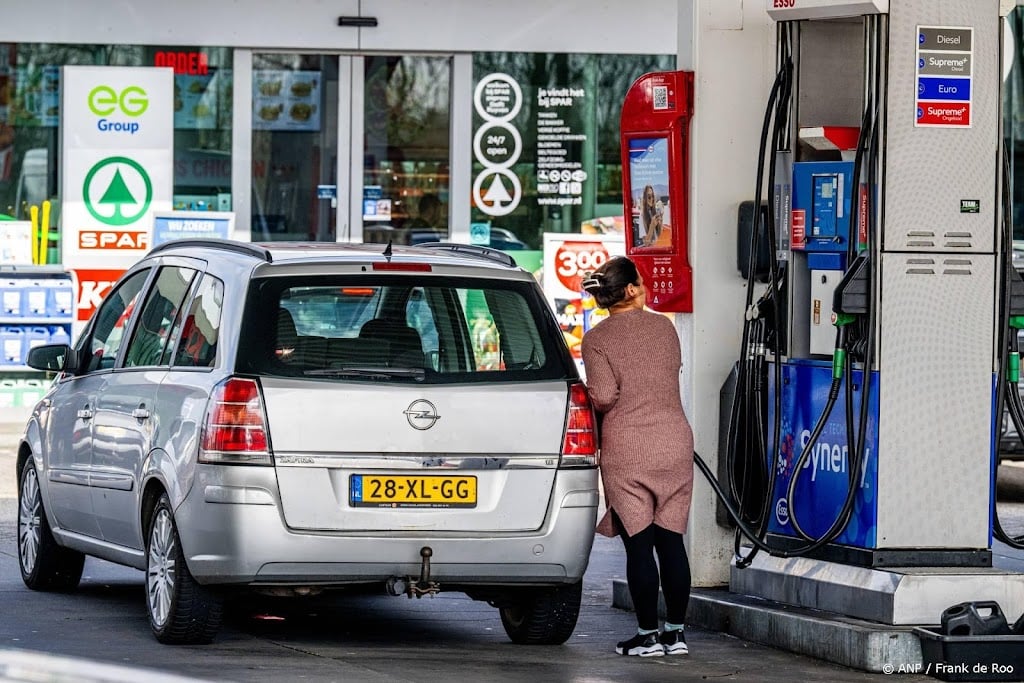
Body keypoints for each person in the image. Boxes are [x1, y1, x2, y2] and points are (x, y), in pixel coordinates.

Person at [580, 256, 695, 658]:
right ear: (630, 290)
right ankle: (676, 635)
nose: (645, 285)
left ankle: (647, 636)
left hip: (628, 448)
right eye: (641, 282)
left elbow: (604, 396)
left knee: (639, 546)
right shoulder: (665, 327)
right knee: (672, 542)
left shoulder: (597, 339)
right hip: (675, 442)